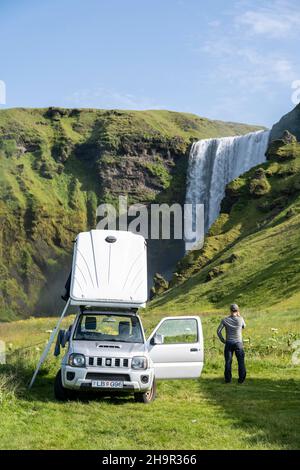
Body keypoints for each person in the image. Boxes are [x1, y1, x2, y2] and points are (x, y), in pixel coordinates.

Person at [217, 303, 246, 384]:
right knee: (241, 361)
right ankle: (241, 380)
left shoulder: (225, 320)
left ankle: (228, 379)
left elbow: (218, 331)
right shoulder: (240, 319)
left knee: (228, 361)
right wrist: (239, 316)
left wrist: (223, 340)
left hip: (229, 343)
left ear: (230, 310)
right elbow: (244, 326)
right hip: (238, 343)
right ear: (237, 310)